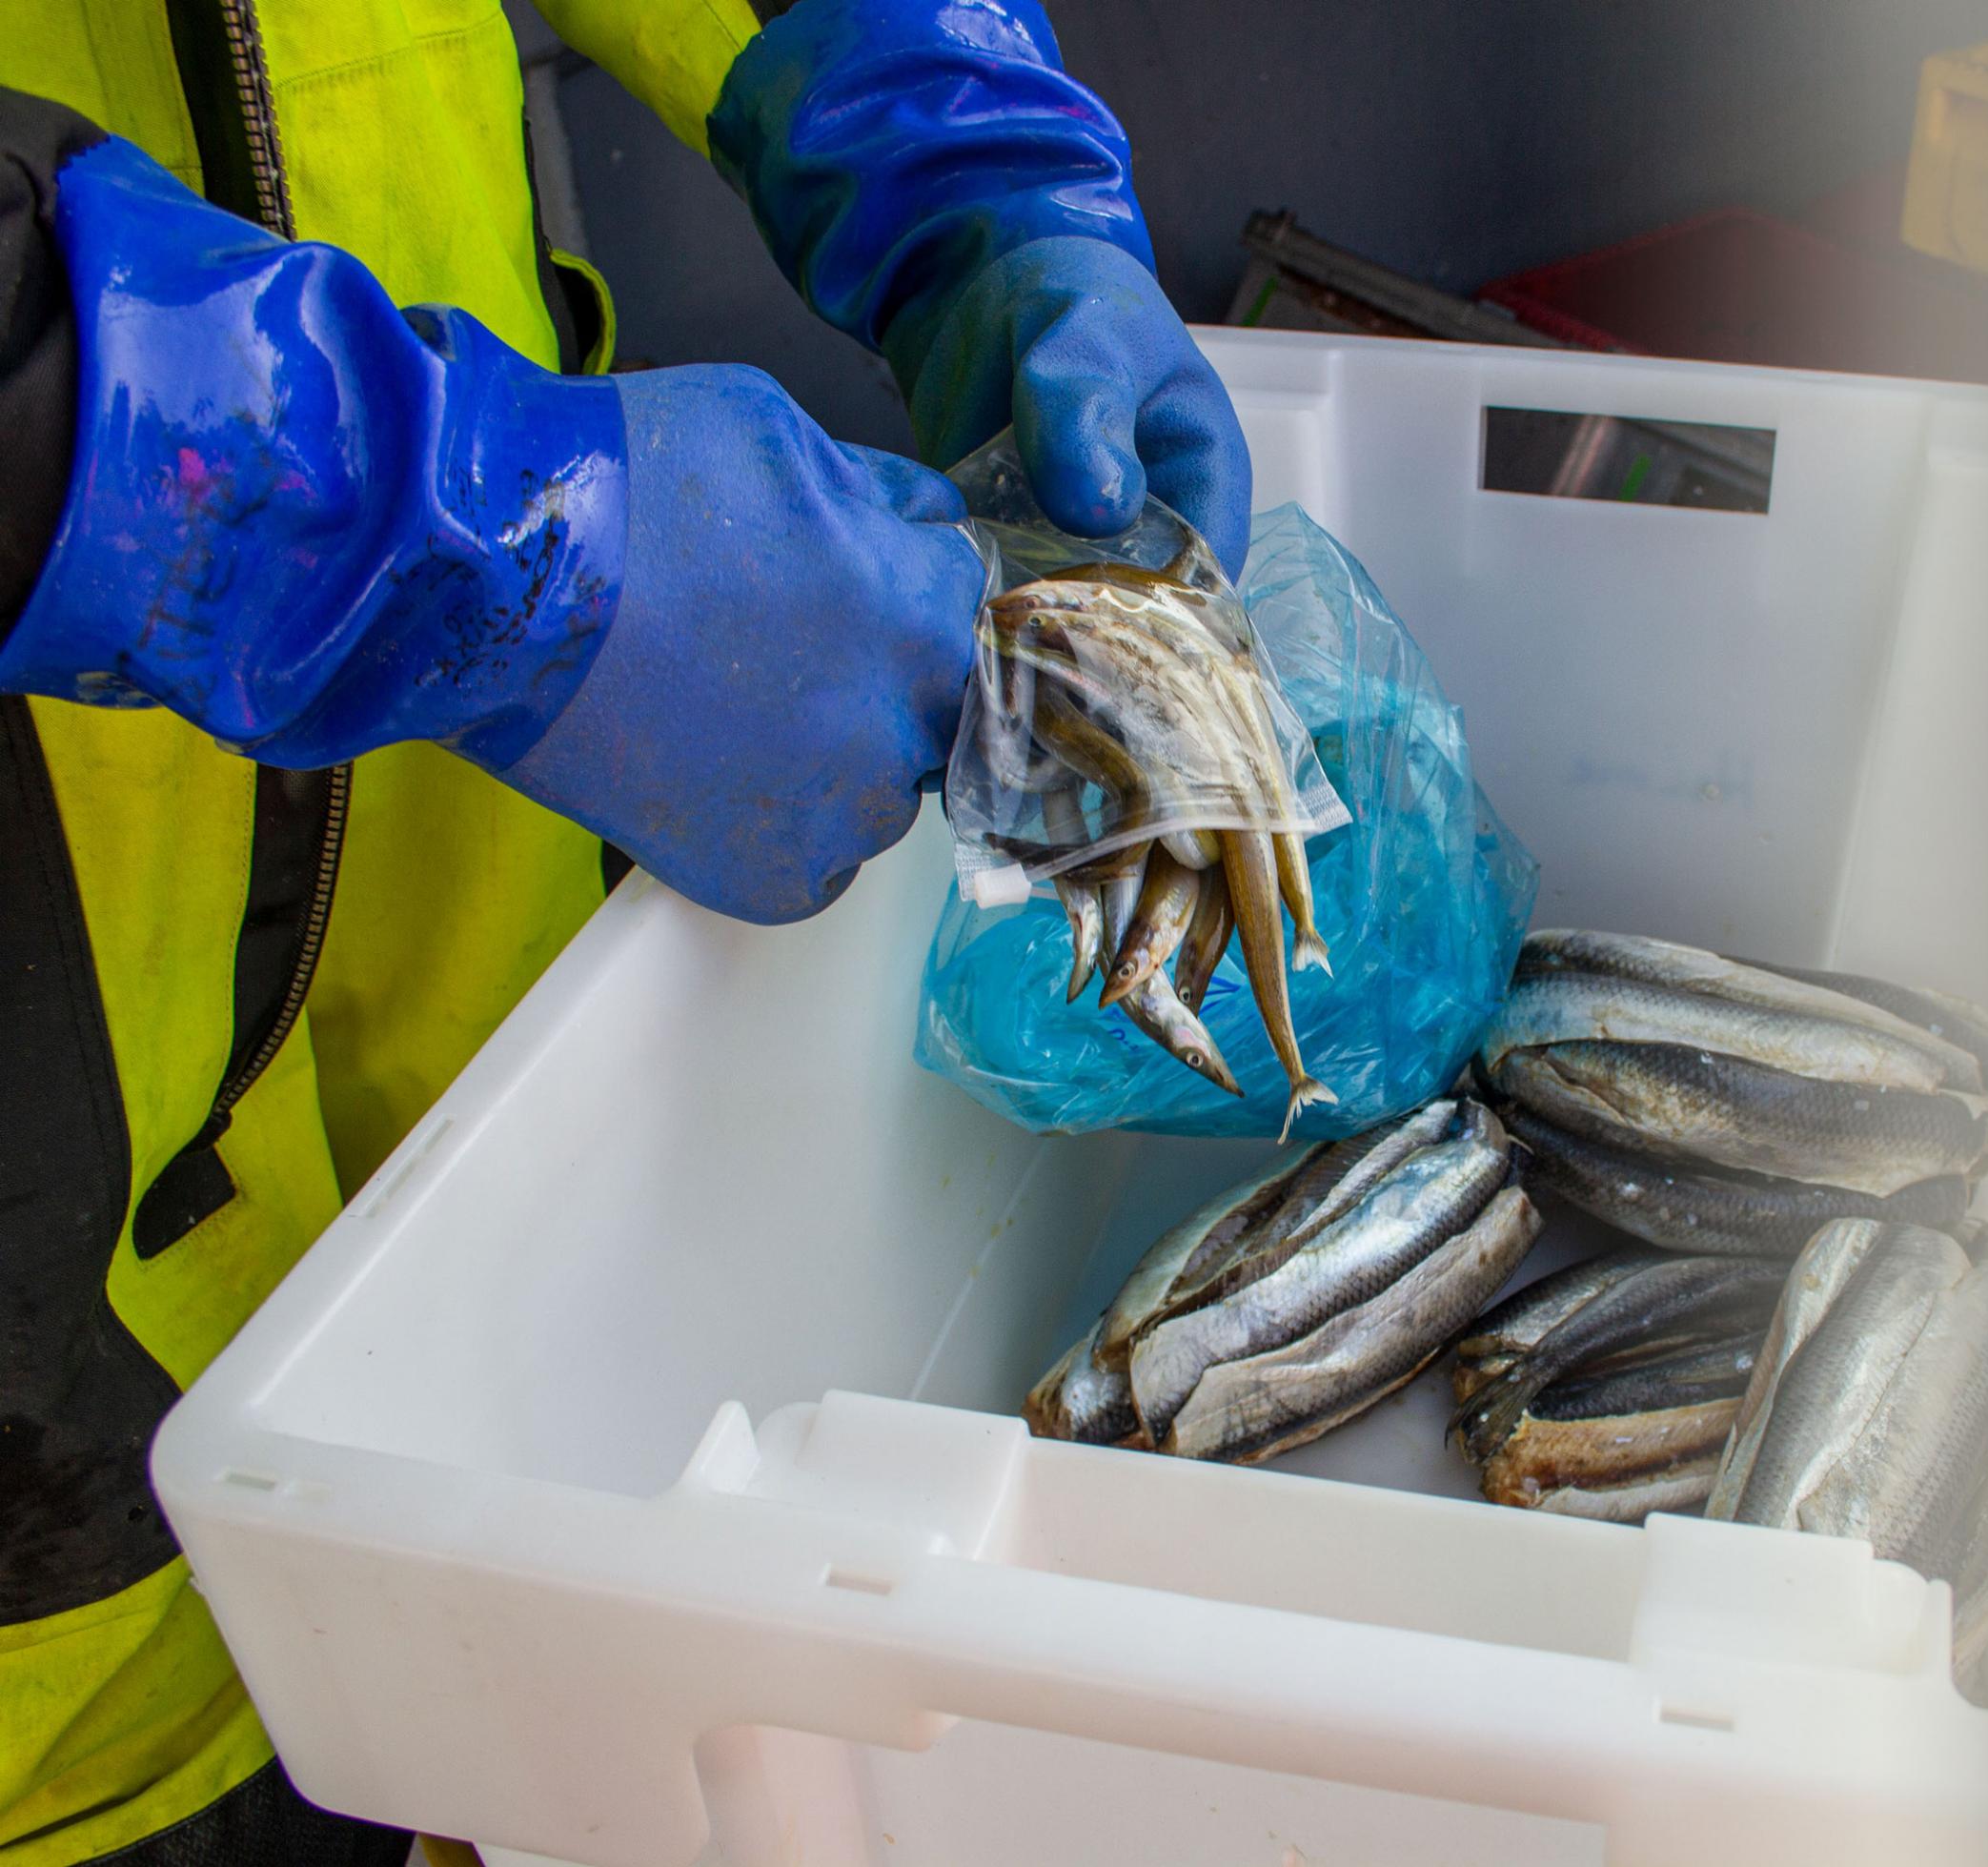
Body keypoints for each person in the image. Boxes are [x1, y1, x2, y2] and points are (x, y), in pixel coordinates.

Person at [0, 2, 1247, 1858]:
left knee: (500, 1700)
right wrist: (381, 513)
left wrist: (967, 144)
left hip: (492, 1065)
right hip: (57, 1500)